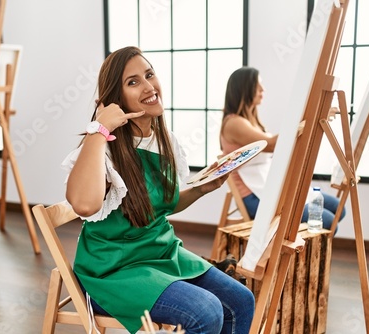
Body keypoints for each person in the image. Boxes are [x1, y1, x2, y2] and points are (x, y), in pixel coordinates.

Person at [62, 46, 255, 334]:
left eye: (149, 75)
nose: (149, 86)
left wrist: (203, 188)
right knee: (206, 311)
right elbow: (83, 204)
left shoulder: (165, 140)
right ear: (115, 99)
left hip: (160, 253)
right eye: (133, 82)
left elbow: (162, 204)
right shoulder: (103, 149)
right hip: (114, 272)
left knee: (241, 300)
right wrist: (98, 129)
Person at [219, 66, 346, 231]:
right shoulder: (234, 123)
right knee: (328, 221)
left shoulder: (252, 121)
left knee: (338, 209)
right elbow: (271, 145)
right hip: (254, 196)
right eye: (258, 85)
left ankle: (296, 252)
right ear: (244, 89)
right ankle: (297, 254)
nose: (262, 89)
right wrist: (313, 116)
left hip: (267, 188)